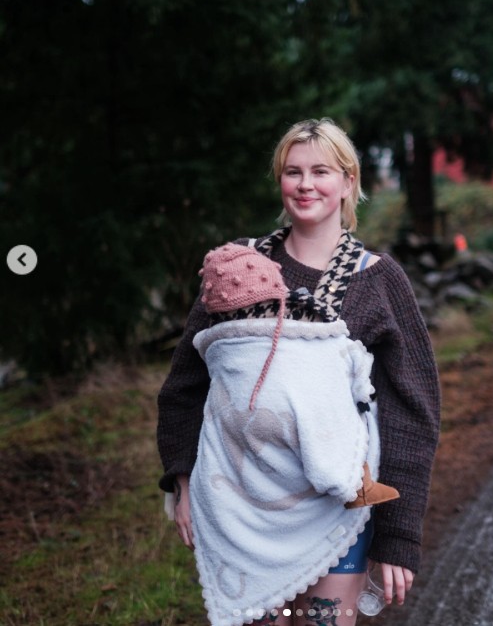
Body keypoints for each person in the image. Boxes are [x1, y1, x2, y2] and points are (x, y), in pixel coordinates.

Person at [157, 118, 441, 626]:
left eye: (321, 171)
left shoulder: (376, 279)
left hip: (338, 513)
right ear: (279, 180)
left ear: (349, 181)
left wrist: (398, 533)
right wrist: (182, 481)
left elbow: (411, 411)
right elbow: (185, 383)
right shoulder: (239, 271)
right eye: (293, 172)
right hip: (246, 514)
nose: (306, 184)